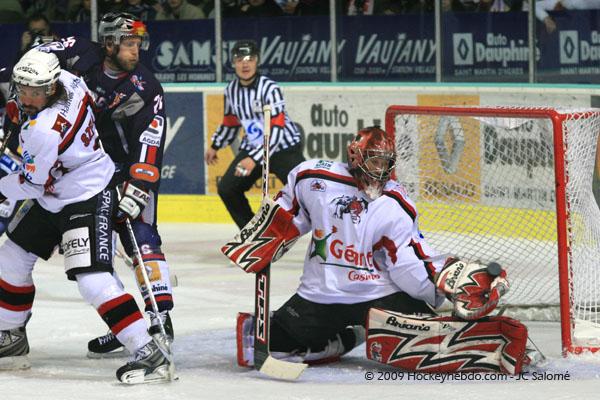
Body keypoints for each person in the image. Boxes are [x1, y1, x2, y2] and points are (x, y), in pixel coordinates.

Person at [225, 126, 529, 373]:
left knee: (435, 340)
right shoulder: (313, 178)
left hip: (378, 295)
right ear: (356, 157)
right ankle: (344, 339)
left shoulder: (394, 202)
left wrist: (445, 282)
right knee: (267, 344)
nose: (381, 170)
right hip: (321, 295)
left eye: (386, 163)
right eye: (374, 162)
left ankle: (490, 340)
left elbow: (408, 261)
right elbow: (288, 213)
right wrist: (266, 233)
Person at [0, 49, 169, 383]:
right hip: (57, 191)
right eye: (23, 89)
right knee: (10, 258)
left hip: (86, 196)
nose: (28, 97)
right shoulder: (69, 79)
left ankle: (149, 352)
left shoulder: (43, 130)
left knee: (92, 279)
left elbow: (31, 184)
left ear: (51, 87)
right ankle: (10, 336)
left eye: (37, 91)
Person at [37, 12, 175, 357]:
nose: (135, 51)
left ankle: (161, 321)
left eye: (138, 44)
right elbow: (35, 62)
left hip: (127, 172)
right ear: (109, 43)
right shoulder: (80, 53)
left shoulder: (145, 87)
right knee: (99, 248)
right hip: (87, 171)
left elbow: (150, 141)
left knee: (141, 236)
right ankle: (127, 323)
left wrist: (138, 187)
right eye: (129, 44)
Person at [205, 39, 305, 229]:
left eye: (250, 59)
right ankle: (254, 233)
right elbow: (231, 122)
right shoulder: (231, 90)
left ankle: (329, 234)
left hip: (283, 149)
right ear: (233, 63)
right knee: (227, 189)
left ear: (256, 61)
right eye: (240, 59)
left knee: (305, 190)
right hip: (253, 148)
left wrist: (255, 159)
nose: (245, 64)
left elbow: (277, 130)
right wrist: (215, 145)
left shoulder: (270, 88)